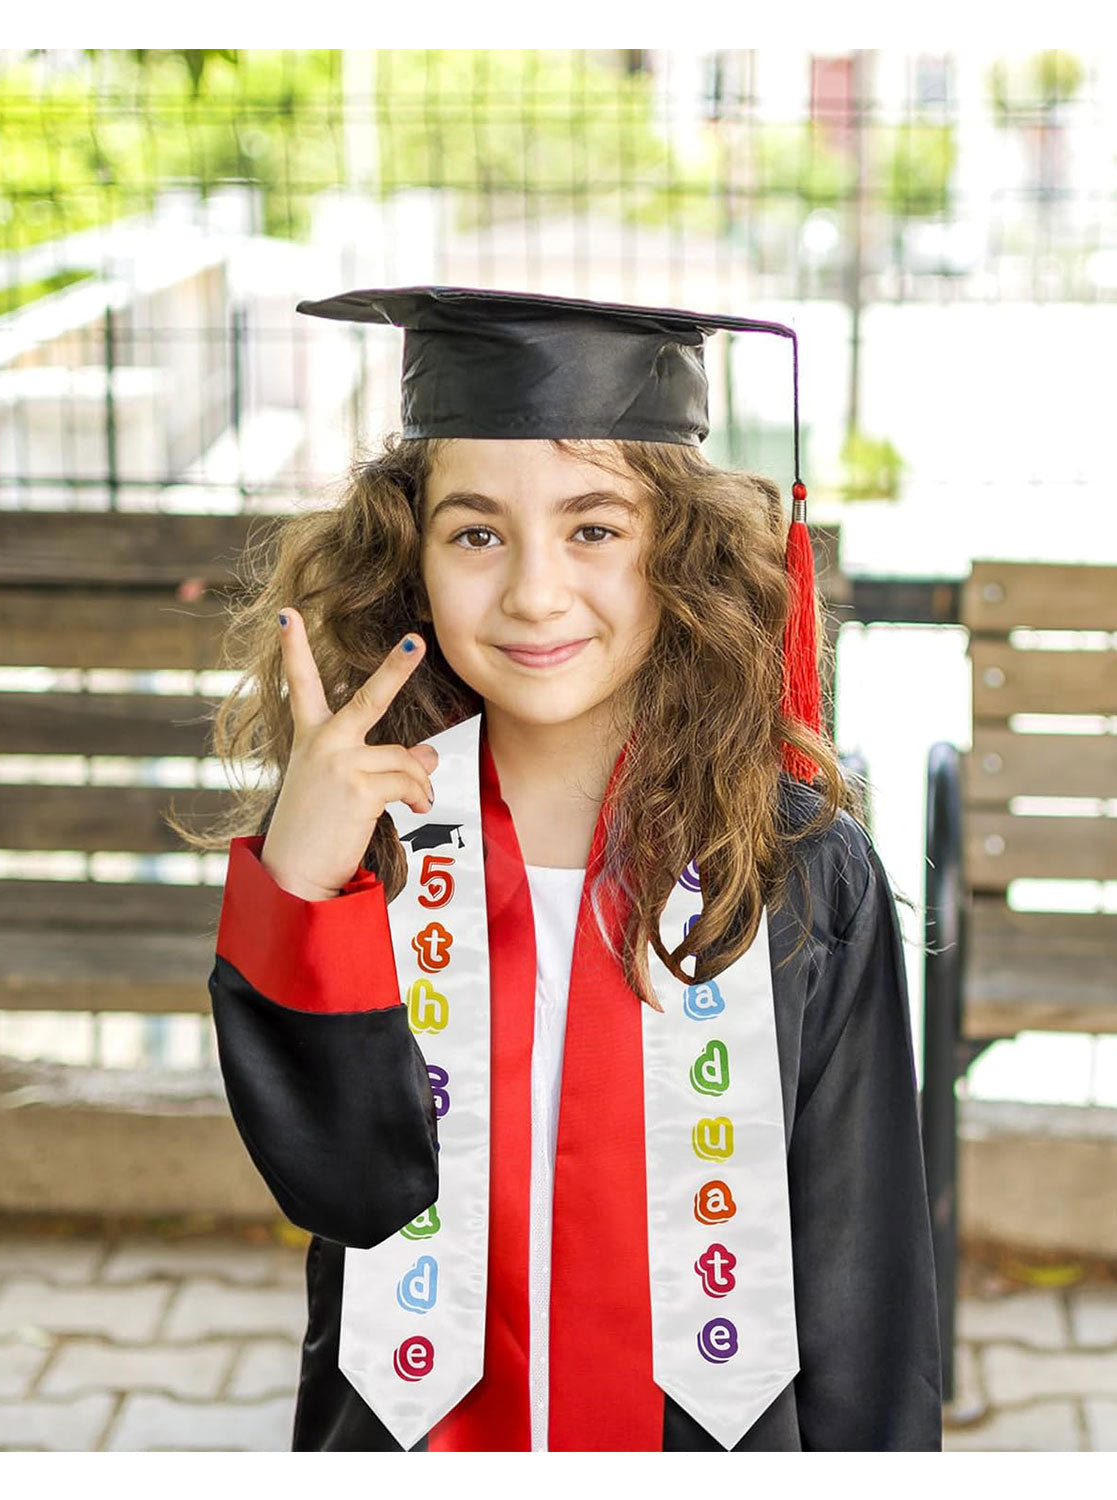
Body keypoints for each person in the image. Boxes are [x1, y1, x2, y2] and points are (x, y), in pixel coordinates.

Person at [195, 286, 942, 1452]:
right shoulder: (369, 851)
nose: (534, 591)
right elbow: (343, 1193)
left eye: (594, 527)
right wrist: (299, 890)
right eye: (477, 532)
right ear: (411, 556)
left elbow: (865, 1287)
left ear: (678, 551)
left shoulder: (792, 871)